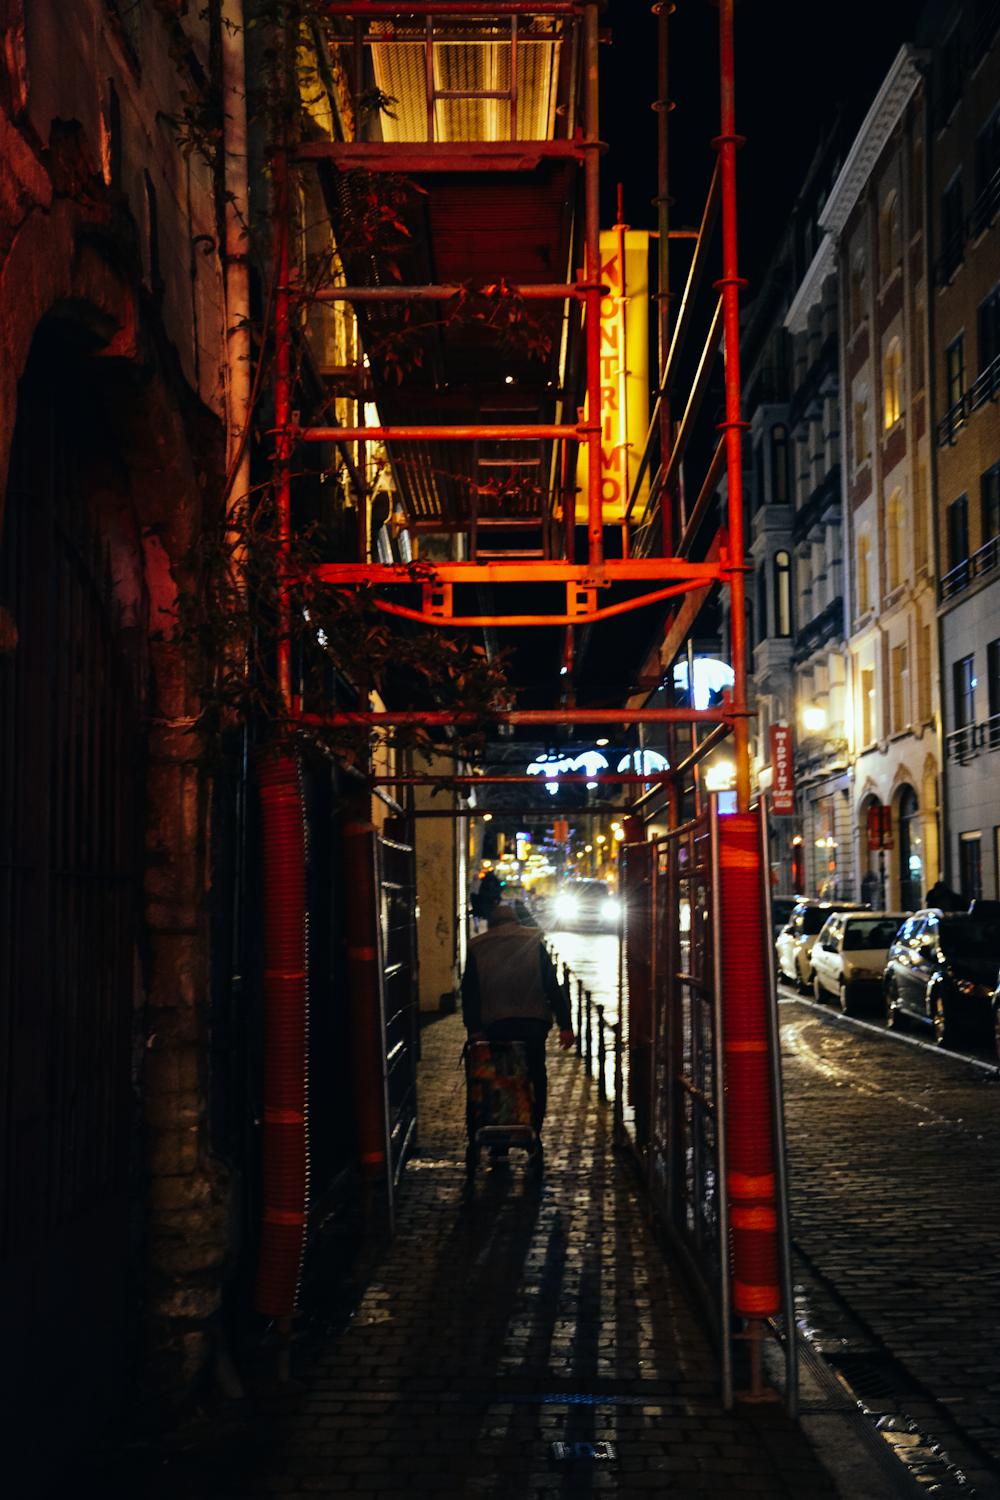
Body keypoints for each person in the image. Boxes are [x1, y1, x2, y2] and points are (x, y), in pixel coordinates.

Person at [461, 904, 573, 1160]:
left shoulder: (477, 945)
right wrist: (565, 1025)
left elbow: (471, 992)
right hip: (533, 1024)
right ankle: (533, 1133)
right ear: (515, 921)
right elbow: (552, 986)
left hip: (495, 1026)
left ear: (491, 924)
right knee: (535, 1078)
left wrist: (475, 1028)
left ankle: (499, 1140)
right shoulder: (533, 940)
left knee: (499, 1080)